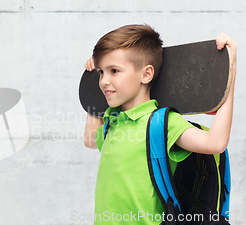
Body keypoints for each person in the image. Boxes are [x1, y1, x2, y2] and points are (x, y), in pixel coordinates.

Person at [83, 24, 236, 224]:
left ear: (146, 74)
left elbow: (214, 143)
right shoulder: (113, 122)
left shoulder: (162, 123)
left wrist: (229, 73)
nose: (104, 81)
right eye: (102, 73)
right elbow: (90, 139)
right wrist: (90, 83)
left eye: (114, 70)